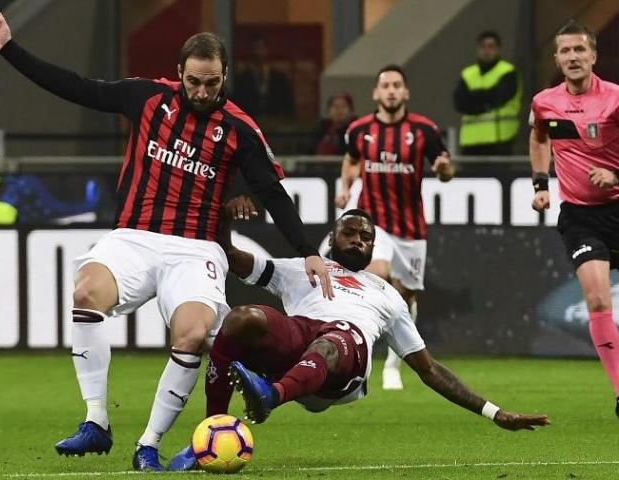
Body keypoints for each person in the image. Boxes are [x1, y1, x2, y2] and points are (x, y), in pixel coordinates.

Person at [0, 12, 332, 471]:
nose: (202, 92)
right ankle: (96, 422)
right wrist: (9, 47)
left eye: (212, 83)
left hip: (196, 249)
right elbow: (76, 87)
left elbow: (272, 191)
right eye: (194, 82)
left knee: (192, 332)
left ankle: (148, 444)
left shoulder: (240, 128)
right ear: (180, 73)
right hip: (134, 237)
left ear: (224, 76)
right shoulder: (146, 98)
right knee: (85, 293)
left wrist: (306, 250)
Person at [167, 208, 550, 470]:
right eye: (349, 233)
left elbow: (429, 369)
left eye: (366, 237)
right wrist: (220, 212)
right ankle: (207, 437)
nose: (358, 240)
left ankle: (271, 396)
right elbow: (231, 256)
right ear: (332, 238)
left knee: (338, 337)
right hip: (297, 347)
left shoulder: (386, 294)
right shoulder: (303, 270)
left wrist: (494, 412)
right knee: (241, 318)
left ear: (372, 247)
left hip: (341, 367)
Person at [529, 20, 619, 423]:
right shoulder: (544, 102)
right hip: (578, 215)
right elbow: (538, 138)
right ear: (556, 58)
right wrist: (541, 183)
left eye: (579, 50)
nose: (572, 57)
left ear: (593, 56)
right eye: (565, 51)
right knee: (595, 298)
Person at [334, 64, 454, 391]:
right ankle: (363, 356)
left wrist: (444, 169)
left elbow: (444, 170)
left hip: (412, 228)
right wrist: (344, 188)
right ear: (375, 92)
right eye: (385, 85)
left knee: (407, 295)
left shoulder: (424, 130)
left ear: (405, 92)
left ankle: (394, 362)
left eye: (396, 85)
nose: (390, 90)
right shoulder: (360, 129)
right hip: (375, 224)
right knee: (377, 276)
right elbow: (352, 159)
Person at [454, 31, 521, 155]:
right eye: (483, 46)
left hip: (500, 140)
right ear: (477, 49)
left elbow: (499, 98)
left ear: (498, 49)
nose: (486, 51)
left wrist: (474, 97)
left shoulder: (507, 71)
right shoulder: (467, 74)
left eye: (491, 47)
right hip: (471, 142)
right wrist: (486, 100)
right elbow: (460, 103)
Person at [232, 35, 295, 119]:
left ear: (267, 49)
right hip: (250, 126)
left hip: (275, 125)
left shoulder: (279, 78)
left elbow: (288, 106)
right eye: (255, 48)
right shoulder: (242, 79)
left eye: (261, 47)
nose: (258, 52)